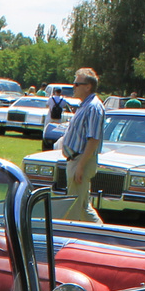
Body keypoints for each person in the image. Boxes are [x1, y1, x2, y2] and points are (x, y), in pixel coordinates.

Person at [57, 66, 105, 224]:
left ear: (88, 86)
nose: (73, 87)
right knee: (83, 207)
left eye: (77, 84)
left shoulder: (93, 107)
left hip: (81, 161)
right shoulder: (84, 105)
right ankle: (102, 236)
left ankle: (73, 239)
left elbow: (94, 139)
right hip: (75, 160)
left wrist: (81, 166)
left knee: (74, 207)